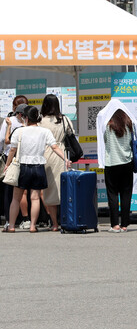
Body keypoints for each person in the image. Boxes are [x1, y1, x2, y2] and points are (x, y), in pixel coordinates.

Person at [3, 106, 70, 232]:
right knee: (35, 198)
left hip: (23, 167)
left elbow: (12, 149)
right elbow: (55, 147)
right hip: (39, 166)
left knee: (16, 198)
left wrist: (7, 164)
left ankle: (11, 226)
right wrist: (65, 159)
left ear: (26, 118)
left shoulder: (19, 131)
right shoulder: (44, 131)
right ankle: (33, 226)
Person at [39, 94, 74, 231]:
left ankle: (54, 223)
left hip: (46, 154)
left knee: (50, 190)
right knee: (64, 188)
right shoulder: (64, 119)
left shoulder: (41, 120)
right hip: (61, 154)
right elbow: (71, 132)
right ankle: (66, 219)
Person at [102, 109, 134, 233]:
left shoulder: (108, 126)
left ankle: (115, 224)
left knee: (112, 194)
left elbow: (105, 141)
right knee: (126, 194)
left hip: (112, 163)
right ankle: (124, 224)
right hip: (127, 162)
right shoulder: (129, 125)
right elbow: (131, 142)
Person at [0, 98, 29, 229]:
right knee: (24, 191)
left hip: (10, 158)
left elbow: (3, 140)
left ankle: (9, 219)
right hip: (25, 157)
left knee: (9, 190)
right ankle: (25, 219)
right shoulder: (29, 121)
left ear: (14, 107)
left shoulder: (9, 121)